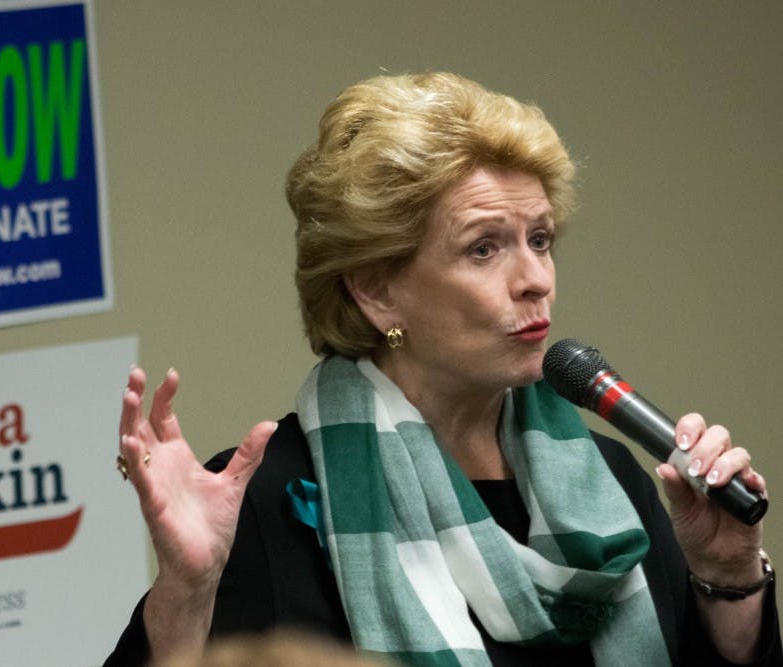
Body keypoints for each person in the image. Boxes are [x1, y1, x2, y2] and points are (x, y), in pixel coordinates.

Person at [105, 72, 780, 666]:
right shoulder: (272, 501)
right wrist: (186, 597)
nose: (535, 278)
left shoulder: (612, 485)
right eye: (484, 248)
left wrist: (729, 578)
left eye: (539, 239)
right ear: (375, 288)